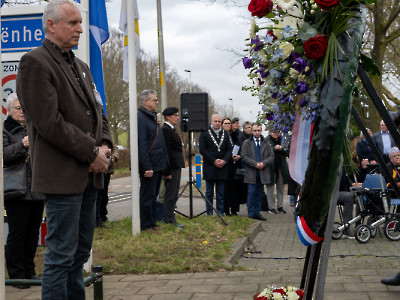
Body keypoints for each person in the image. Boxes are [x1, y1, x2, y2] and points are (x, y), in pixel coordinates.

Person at [16, 1, 113, 298]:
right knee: (60, 255)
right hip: (62, 176)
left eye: (80, 23)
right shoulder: (35, 62)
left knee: (80, 252)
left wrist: (106, 145)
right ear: (50, 25)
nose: (80, 29)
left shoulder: (81, 66)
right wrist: (91, 152)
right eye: (72, 23)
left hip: (89, 174)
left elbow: (98, 112)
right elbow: (49, 123)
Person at [3, 93, 45, 288]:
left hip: (36, 189)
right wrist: (22, 144)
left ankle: (30, 271)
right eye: (19, 109)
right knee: (17, 234)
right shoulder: (5, 130)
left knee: (32, 234)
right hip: (16, 190)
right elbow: (3, 155)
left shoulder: (33, 128)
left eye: (24, 109)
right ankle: (16, 275)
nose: (22, 112)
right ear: (10, 110)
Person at [137, 90, 168, 230]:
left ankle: (153, 222)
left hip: (157, 164)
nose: (157, 102)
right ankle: (145, 225)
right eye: (154, 100)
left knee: (153, 196)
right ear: (145, 102)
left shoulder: (152, 118)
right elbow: (141, 144)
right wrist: (146, 166)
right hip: (149, 166)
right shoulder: (141, 118)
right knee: (147, 197)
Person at [199, 114, 232, 215]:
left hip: (222, 167)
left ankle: (220, 212)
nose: (217, 123)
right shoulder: (204, 133)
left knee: (220, 192)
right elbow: (202, 150)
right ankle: (209, 212)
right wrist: (214, 160)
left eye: (219, 121)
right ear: (211, 121)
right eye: (215, 121)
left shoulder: (225, 134)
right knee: (209, 192)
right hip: (210, 167)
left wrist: (224, 161)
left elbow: (230, 149)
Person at [241, 123, 274, 220]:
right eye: (255, 130)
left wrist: (263, 163)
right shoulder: (246, 143)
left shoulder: (266, 143)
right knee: (251, 193)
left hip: (262, 172)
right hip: (251, 172)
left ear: (261, 131)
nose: (257, 132)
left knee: (259, 193)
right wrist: (255, 164)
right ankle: (251, 214)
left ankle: (257, 212)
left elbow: (271, 156)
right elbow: (244, 156)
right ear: (251, 131)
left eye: (259, 130)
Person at [161, 107, 185, 228]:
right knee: (170, 194)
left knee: (174, 193)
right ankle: (168, 219)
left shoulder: (171, 130)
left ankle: (170, 217)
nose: (177, 117)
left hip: (176, 165)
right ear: (168, 117)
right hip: (171, 167)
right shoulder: (166, 130)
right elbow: (166, 152)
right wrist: (167, 171)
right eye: (175, 115)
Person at [266, 130, 289, 214]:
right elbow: (268, 151)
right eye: (273, 132)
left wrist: (280, 148)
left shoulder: (283, 139)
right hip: (270, 167)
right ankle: (271, 207)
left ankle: (280, 206)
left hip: (280, 167)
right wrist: (277, 148)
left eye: (277, 132)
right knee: (270, 187)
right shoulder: (266, 140)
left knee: (280, 188)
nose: (275, 134)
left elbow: (287, 152)